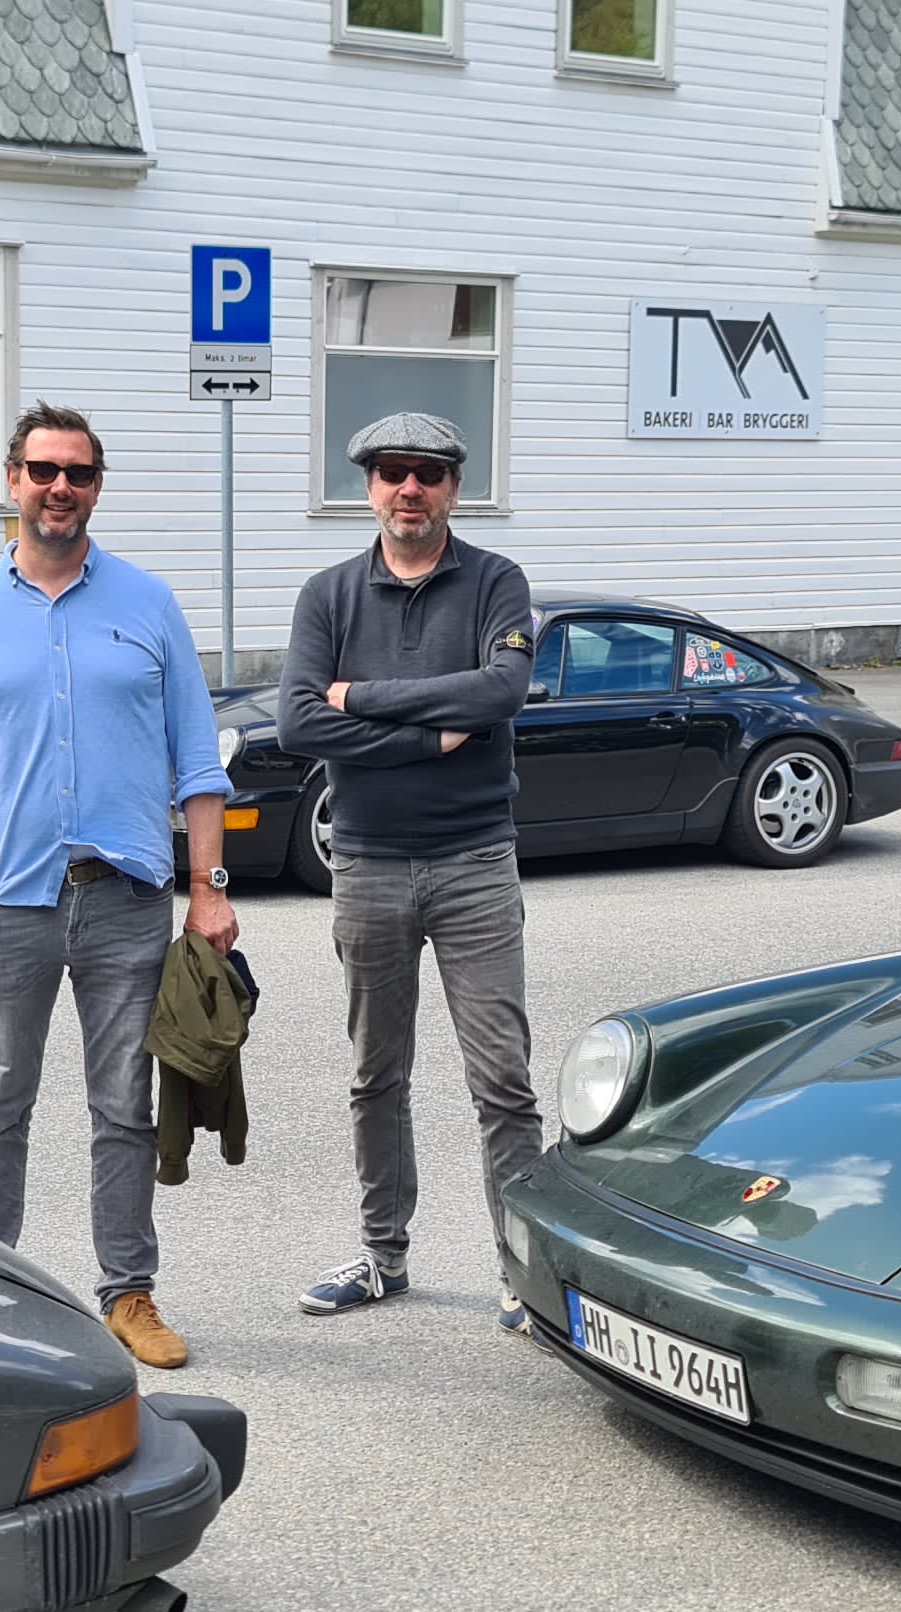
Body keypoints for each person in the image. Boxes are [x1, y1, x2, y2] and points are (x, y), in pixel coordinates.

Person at [0, 401, 238, 1370]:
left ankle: (127, 1293)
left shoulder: (148, 604)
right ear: (12, 480)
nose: (61, 488)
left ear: (97, 487)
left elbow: (197, 760)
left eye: (79, 473)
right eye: (44, 470)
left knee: (122, 1108)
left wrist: (208, 887)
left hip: (124, 899)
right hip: (5, 902)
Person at [277, 412, 546, 1331]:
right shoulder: (327, 596)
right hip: (367, 866)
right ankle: (383, 1257)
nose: (409, 489)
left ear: (454, 488)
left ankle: (523, 1276)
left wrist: (361, 699)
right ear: (370, 486)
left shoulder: (497, 582)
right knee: (376, 1076)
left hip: (475, 863)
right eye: (392, 472)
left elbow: (503, 690)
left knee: (502, 1081)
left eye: (427, 473)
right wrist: (433, 735)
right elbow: (300, 723)